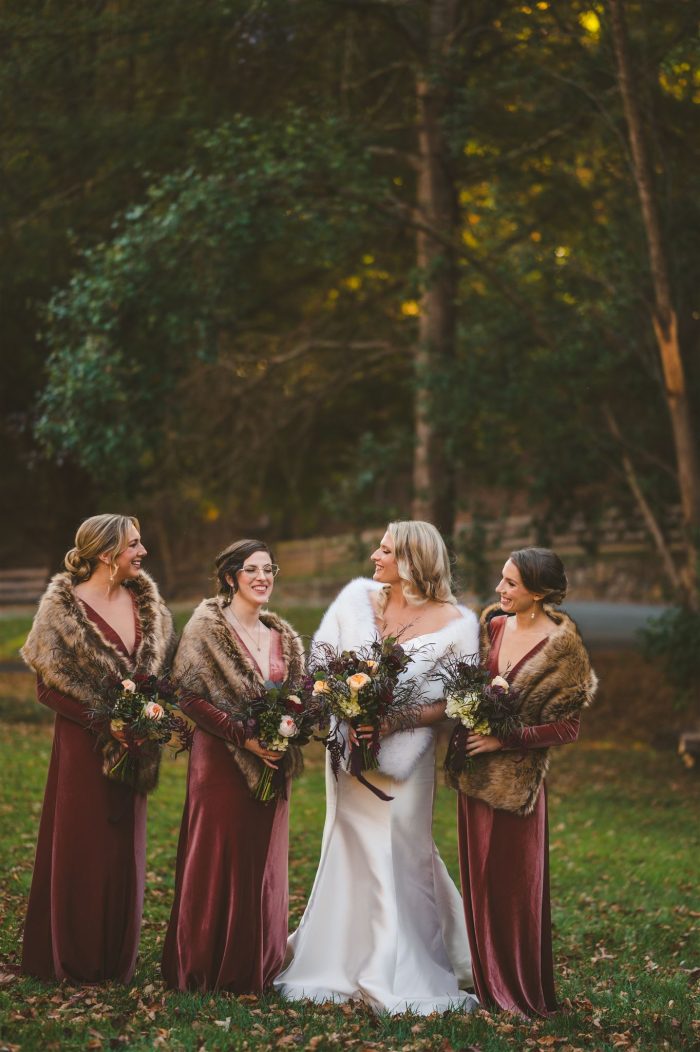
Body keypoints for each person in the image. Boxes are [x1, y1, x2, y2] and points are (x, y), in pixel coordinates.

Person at [275, 521, 479, 1015]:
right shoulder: (355, 600)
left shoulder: (459, 622)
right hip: (347, 754)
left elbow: (458, 700)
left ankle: (403, 963)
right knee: (347, 844)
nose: (374, 555)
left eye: (384, 549)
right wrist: (342, 709)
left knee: (404, 852)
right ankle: (338, 956)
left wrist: (396, 720)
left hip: (407, 764)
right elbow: (320, 665)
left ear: (411, 559)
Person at [20, 514, 174, 983]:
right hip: (82, 750)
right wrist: (103, 720)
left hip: (136, 747)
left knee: (125, 848)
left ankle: (115, 959)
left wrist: (145, 719)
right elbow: (47, 689)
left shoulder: (147, 605)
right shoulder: (62, 610)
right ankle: (75, 957)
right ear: (107, 554)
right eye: (134, 544)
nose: (142, 552)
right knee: (81, 847)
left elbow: (162, 676)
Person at [454, 547, 597, 1017]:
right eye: (502, 580)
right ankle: (486, 983)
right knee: (479, 883)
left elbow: (568, 728)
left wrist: (504, 740)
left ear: (538, 592)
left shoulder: (563, 647)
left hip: (517, 787)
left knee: (514, 888)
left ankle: (515, 991)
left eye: (511, 584)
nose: (500, 590)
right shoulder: (493, 626)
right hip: (475, 779)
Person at [161, 539, 305, 993]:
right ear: (230, 577)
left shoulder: (282, 636)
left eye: (269, 569)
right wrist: (244, 736)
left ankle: (253, 966)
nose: (263, 578)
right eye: (252, 570)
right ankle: (204, 965)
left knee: (261, 863)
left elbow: (298, 700)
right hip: (220, 762)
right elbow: (186, 694)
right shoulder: (206, 627)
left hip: (273, 763)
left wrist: (287, 731)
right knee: (217, 859)